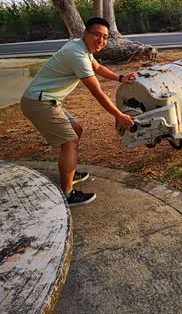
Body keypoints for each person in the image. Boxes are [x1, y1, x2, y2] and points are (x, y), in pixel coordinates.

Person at [20, 17, 136, 207]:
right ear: (85, 34)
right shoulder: (77, 55)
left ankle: (69, 172)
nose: (101, 40)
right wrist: (119, 116)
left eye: (105, 37)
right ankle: (67, 194)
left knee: (76, 130)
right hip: (39, 102)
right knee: (70, 141)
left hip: (46, 100)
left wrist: (120, 78)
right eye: (96, 35)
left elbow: (97, 67)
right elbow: (97, 92)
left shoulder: (81, 48)